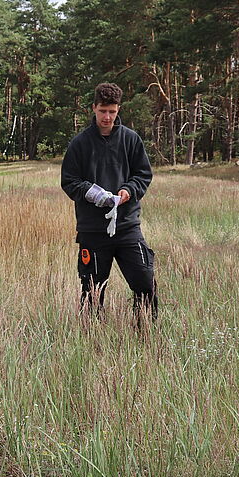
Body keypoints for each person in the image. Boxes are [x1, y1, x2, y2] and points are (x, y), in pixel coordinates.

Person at [60, 82, 157, 324]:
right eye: (103, 110)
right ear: (93, 108)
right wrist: (93, 193)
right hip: (93, 230)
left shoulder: (131, 140)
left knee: (145, 282)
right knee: (92, 291)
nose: (107, 117)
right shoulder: (80, 143)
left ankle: (145, 333)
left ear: (118, 109)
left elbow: (143, 175)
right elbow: (69, 181)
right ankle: (93, 340)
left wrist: (127, 190)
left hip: (126, 226)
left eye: (112, 111)